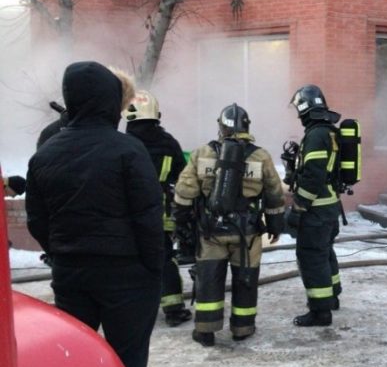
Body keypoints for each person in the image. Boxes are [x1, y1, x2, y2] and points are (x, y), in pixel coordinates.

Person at [25, 61, 163, 367]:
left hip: (72, 277)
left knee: (75, 358)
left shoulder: (45, 155)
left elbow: (37, 221)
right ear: (110, 99)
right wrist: (152, 268)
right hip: (127, 276)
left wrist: (62, 253)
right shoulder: (128, 149)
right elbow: (148, 217)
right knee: (127, 361)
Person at [173, 103, 285, 347]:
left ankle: (205, 330)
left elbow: (184, 192)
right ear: (246, 127)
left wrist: (181, 224)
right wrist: (276, 226)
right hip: (248, 234)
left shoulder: (202, 153)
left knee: (209, 279)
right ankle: (242, 328)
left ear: (221, 127)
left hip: (211, 232)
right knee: (246, 279)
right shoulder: (261, 156)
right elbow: (275, 195)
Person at [123, 89, 193, 327]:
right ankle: (173, 309)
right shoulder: (168, 143)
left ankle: (132, 311)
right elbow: (183, 178)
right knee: (164, 259)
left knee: (129, 261)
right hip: (159, 215)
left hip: (126, 217)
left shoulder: (122, 143)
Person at [285, 84, 343, 327]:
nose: (298, 116)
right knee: (324, 252)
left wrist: (298, 207)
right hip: (329, 207)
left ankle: (320, 312)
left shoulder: (317, 134)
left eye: (299, 110)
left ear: (305, 109)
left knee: (311, 257)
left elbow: (313, 176)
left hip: (316, 210)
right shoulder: (327, 131)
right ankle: (332, 296)